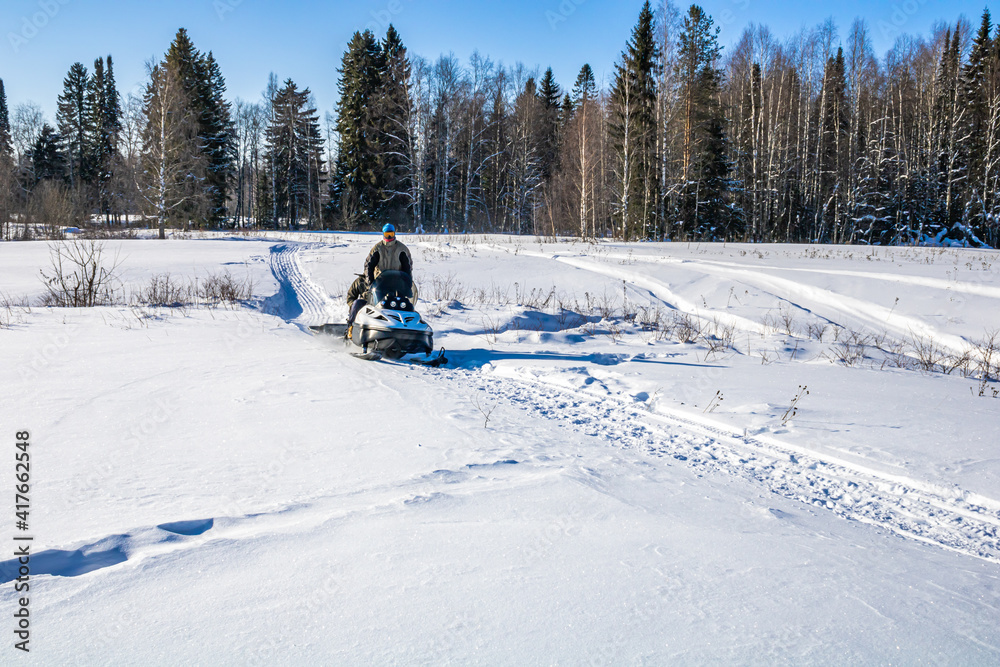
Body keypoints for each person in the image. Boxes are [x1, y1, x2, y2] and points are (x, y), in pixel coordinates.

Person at [346, 223, 413, 335]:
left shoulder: (402, 249)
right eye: (387, 234)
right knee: (359, 304)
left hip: (396, 287)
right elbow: (369, 265)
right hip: (379, 286)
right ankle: (351, 329)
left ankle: (408, 330)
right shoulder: (377, 249)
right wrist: (370, 283)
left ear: (395, 234)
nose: (389, 237)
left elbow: (408, 269)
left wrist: (407, 286)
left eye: (391, 234)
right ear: (383, 234)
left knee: (406, 306)